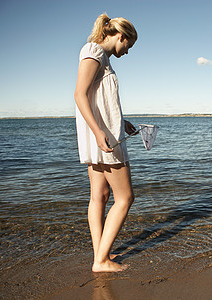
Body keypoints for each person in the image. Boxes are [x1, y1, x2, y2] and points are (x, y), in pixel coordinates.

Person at [74, 13, 137, 272]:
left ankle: (101, 256)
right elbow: (79, 95)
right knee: (125, 197)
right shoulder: (94, 52)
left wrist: (123, 122)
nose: (127, 51)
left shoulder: (103, 59)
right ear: (120, 36)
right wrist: (100, 132)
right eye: (128, 46)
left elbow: (100, 101)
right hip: (104, 139)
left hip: (102, 136)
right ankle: (101, 261)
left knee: (100, 195)